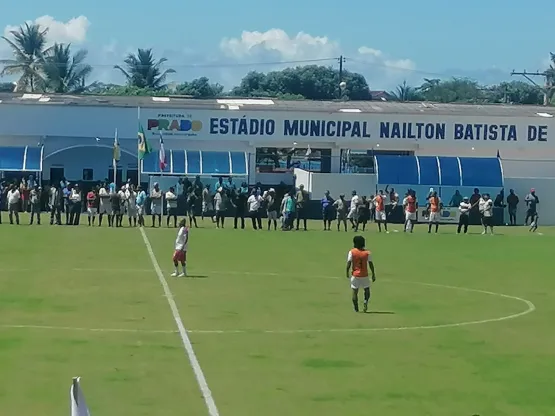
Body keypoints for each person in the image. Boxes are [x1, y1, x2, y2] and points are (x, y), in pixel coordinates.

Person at [346, 235, 376, 313]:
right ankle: (366, 300)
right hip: (364, 275)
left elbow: (349, 263)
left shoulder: (352, 252)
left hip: (355, 275)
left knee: (354, 292)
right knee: (367, 290)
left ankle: (356, 308)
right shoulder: (367, 253)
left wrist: (347, 271)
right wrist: (373, 274)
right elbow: (371, 264)